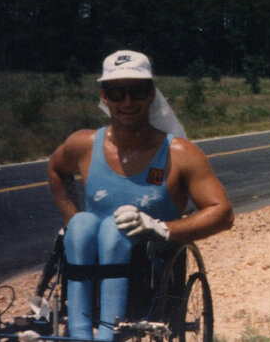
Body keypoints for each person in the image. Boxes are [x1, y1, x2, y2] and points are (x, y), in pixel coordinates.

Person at [46, 50, 233, 341]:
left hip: (149, 267)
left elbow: (222, 212)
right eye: (117, 92)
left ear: (152, 95)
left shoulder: (179, 154)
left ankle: (107, 335)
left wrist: (162, 228)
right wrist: (70, 218)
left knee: (113, 230)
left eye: (138, 91)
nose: (128, 102)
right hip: (92, 254)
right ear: (104, 97)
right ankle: (81, 334)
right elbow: (56, 169)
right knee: (83, 225)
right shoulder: (83, 144)